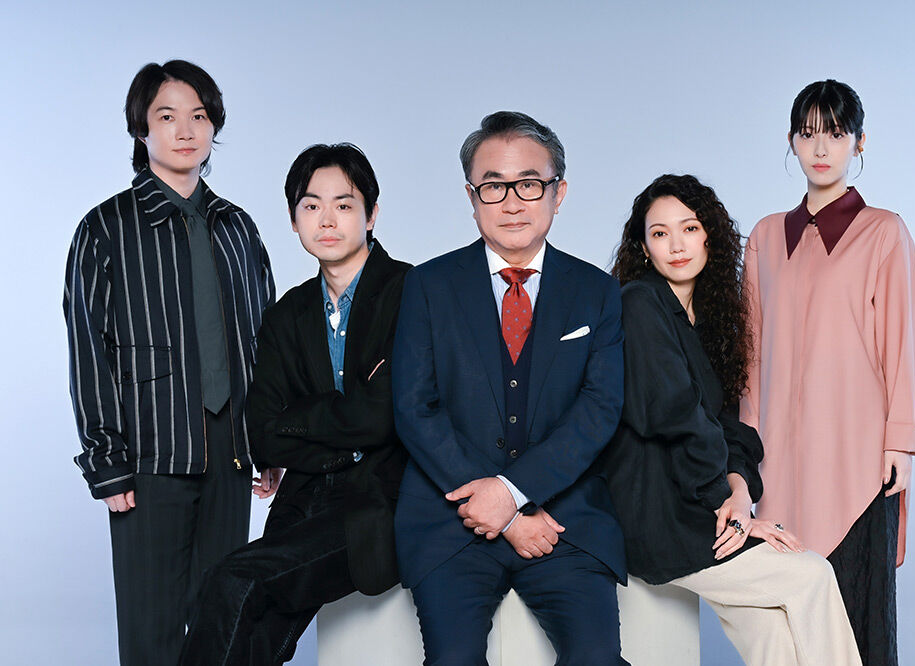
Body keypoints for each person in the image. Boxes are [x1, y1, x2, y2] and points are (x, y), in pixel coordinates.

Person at [392, 111, 628, 665]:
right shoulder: (427, 285)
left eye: (529, 184)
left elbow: (599, 410)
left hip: (562, 521)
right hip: (452, 522)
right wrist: (499, 507)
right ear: (471, 197)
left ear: (558, 192)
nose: (513, 203)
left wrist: (515, 494)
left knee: (597, 660)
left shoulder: (597, 291)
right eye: (493, 186)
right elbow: (414, 408)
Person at [62, 60, 276, 666]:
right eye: (167, 116)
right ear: (142, 129)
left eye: (199, 116)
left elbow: (264, 340)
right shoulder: (105, 228)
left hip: (231, 451)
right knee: (151, 629)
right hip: (148, 455)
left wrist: (269, 441)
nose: (186, 131)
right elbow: (88, 347)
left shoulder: (238, 228)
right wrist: (106, 462)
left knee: (222, 620)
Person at [603, 174, 860, 666]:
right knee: (811, 575)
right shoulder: (638, 304)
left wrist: (740, 492)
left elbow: (730, 426)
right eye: (659, 233)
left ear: (710, 236)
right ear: (644, 248)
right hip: (659, 516)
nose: (676, 245)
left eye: (690, 228)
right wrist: (731, 509)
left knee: (773, 633)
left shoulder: (710, 320)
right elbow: (675, 416)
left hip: (704, 506)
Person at [179, 143, 411, 664]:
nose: (326, 219)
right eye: (311, 206)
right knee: (251, 627)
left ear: (371, 214)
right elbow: (264, 432)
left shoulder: (410, 292)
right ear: (293, 220)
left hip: (380, 499)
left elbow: (384, 417)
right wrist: (344, 424)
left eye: (344, 205)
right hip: (305, 497)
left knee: (236, 580)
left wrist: (305, 422)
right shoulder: (287, 313)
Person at [741, 79, 915, 665]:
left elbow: (903, 343)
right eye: (808, 133)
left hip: (859, 459)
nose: (821, 148)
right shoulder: (766, 236)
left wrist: (901, 442)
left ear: (859, 142)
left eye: (836, 133)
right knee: (785, 623)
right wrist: (742, 453)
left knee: (860, 618)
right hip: (778, 463)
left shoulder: (883, 232)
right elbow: (750, 356)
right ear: (791, 141)